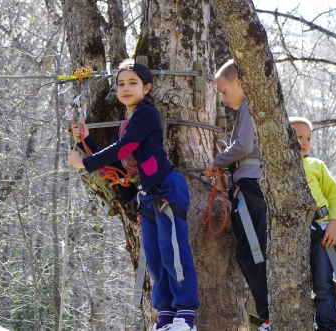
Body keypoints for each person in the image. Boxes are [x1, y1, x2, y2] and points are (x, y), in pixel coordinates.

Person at [68, 59, 199, 331]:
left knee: (173, 251)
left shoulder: (146, 114)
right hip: (146, 196)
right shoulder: (124, 124)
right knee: (154, 256)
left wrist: (84, 162)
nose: (125, 88)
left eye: (132, 83)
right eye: (121, 84)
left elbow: (125, 146)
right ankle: (165, 318)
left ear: (146, 88)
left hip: (165, 189)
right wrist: (87, 141)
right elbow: (116, 162)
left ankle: (185, 317)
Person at [204, 59, 270, 331]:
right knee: (250, 252)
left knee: (251, 252)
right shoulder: (247, 109)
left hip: (249, 189)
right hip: (246, 186)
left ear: (239, 83)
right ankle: (268, 313)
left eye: (223, 90)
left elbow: (243, 147)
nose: (222, 97)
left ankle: (269, 314)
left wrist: (218, 161)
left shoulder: (248, 107)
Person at [289, 116, 336, 331]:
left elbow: (335, 197)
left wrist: (334, 223)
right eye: (299, 136)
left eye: (308, 138)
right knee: (294, 284)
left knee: (323, 283)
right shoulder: (275, 169)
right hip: (292, 235)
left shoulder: (316, 165)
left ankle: (327, 327)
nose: (305, 142)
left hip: (321, 230)